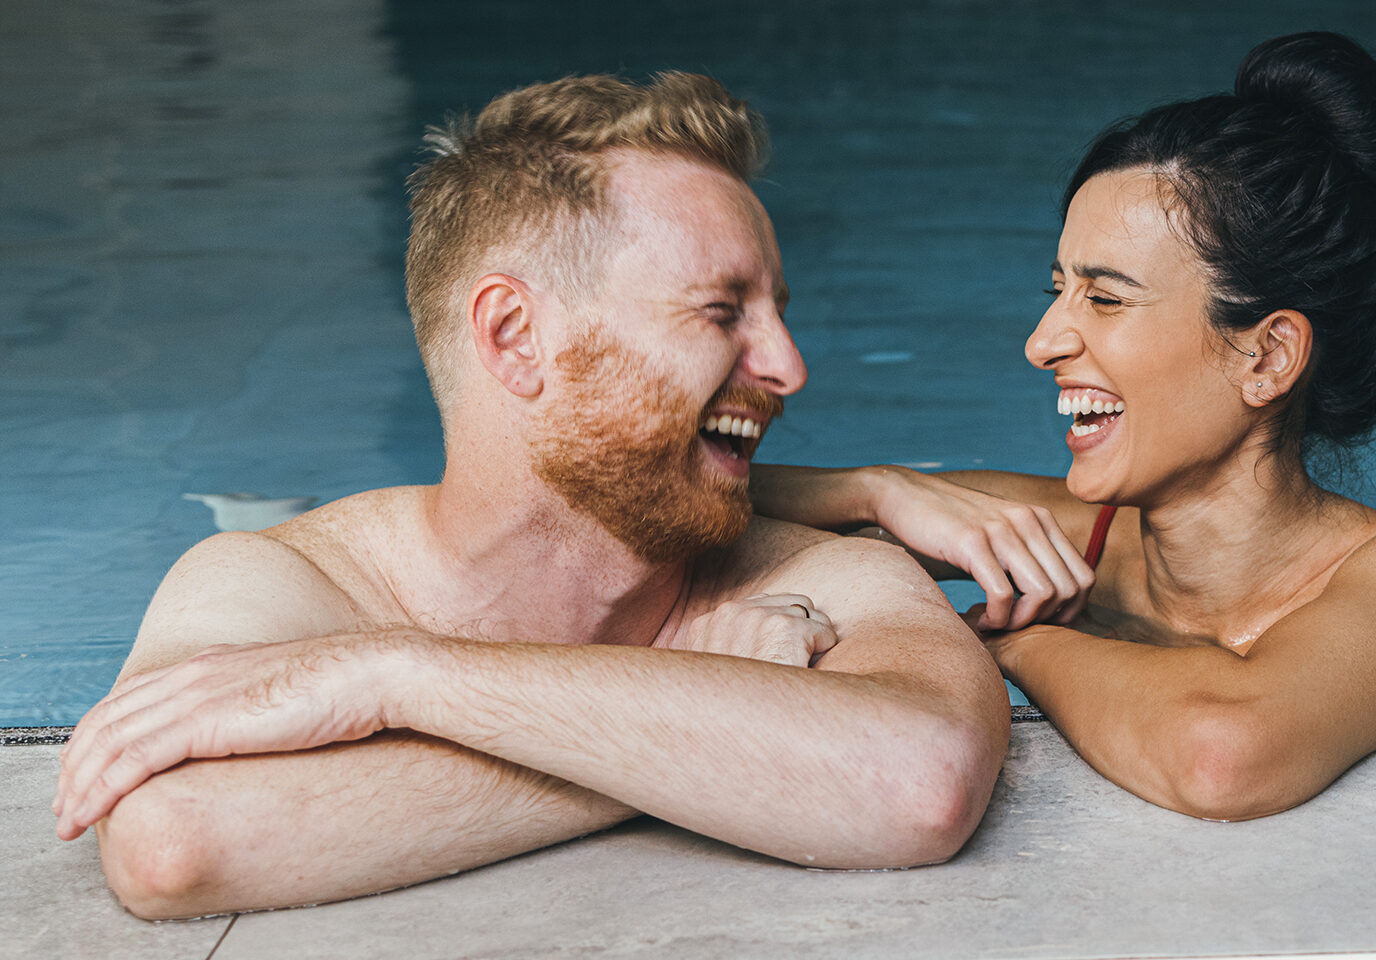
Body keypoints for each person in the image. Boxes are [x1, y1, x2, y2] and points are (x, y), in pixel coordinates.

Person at [51, 73, 1009, 919]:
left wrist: (399, 679)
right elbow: (174, 843)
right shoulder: (283, 582)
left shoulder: (819, 579)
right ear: (514, 337)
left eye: (775, 315)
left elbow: (920, 782)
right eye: (722, 312)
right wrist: (703, 729)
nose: (788, 367)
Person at [752, 33, 1376, 821]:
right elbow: (679, 512)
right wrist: (878, 491)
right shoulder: (1064, 538)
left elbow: (1223, 758)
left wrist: (1008, 643)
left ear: (1267, 356)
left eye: (1106, 298)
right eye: (1059, 290)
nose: (1042, 341)